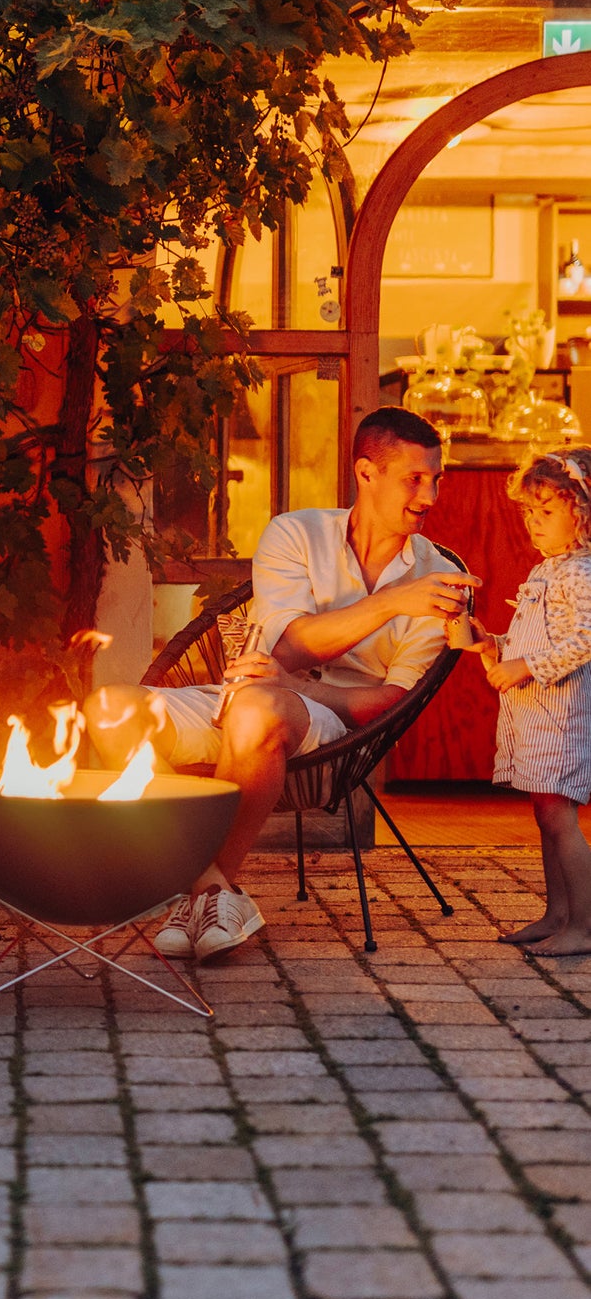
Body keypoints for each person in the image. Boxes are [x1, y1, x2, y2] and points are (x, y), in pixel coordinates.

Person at [87, 406, 479, 961]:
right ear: (366, 473)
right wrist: (388, 602)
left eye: (435, 479)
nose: (430, 497)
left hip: (331, 724)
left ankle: (200, 893)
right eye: (414, 479)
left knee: (257, 709)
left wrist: (308, 691)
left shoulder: (434, 578)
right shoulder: (295, 533)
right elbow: (289, 648)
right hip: (248, 692)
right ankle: (209, 889)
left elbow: (391, 703)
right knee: (109, 707)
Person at [469, 446, 591, 955]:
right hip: (535, 717)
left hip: (561, 718)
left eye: (546, 512)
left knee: (559, 817)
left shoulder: (580, 573)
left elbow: (583, 639)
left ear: (581, 517)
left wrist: (524, 667)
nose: (534, 523)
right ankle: (556, 913)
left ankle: (583, 925)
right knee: (545, 813)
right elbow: (541, 636)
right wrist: (494, 644)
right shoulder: (548, 569)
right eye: (529, 512)